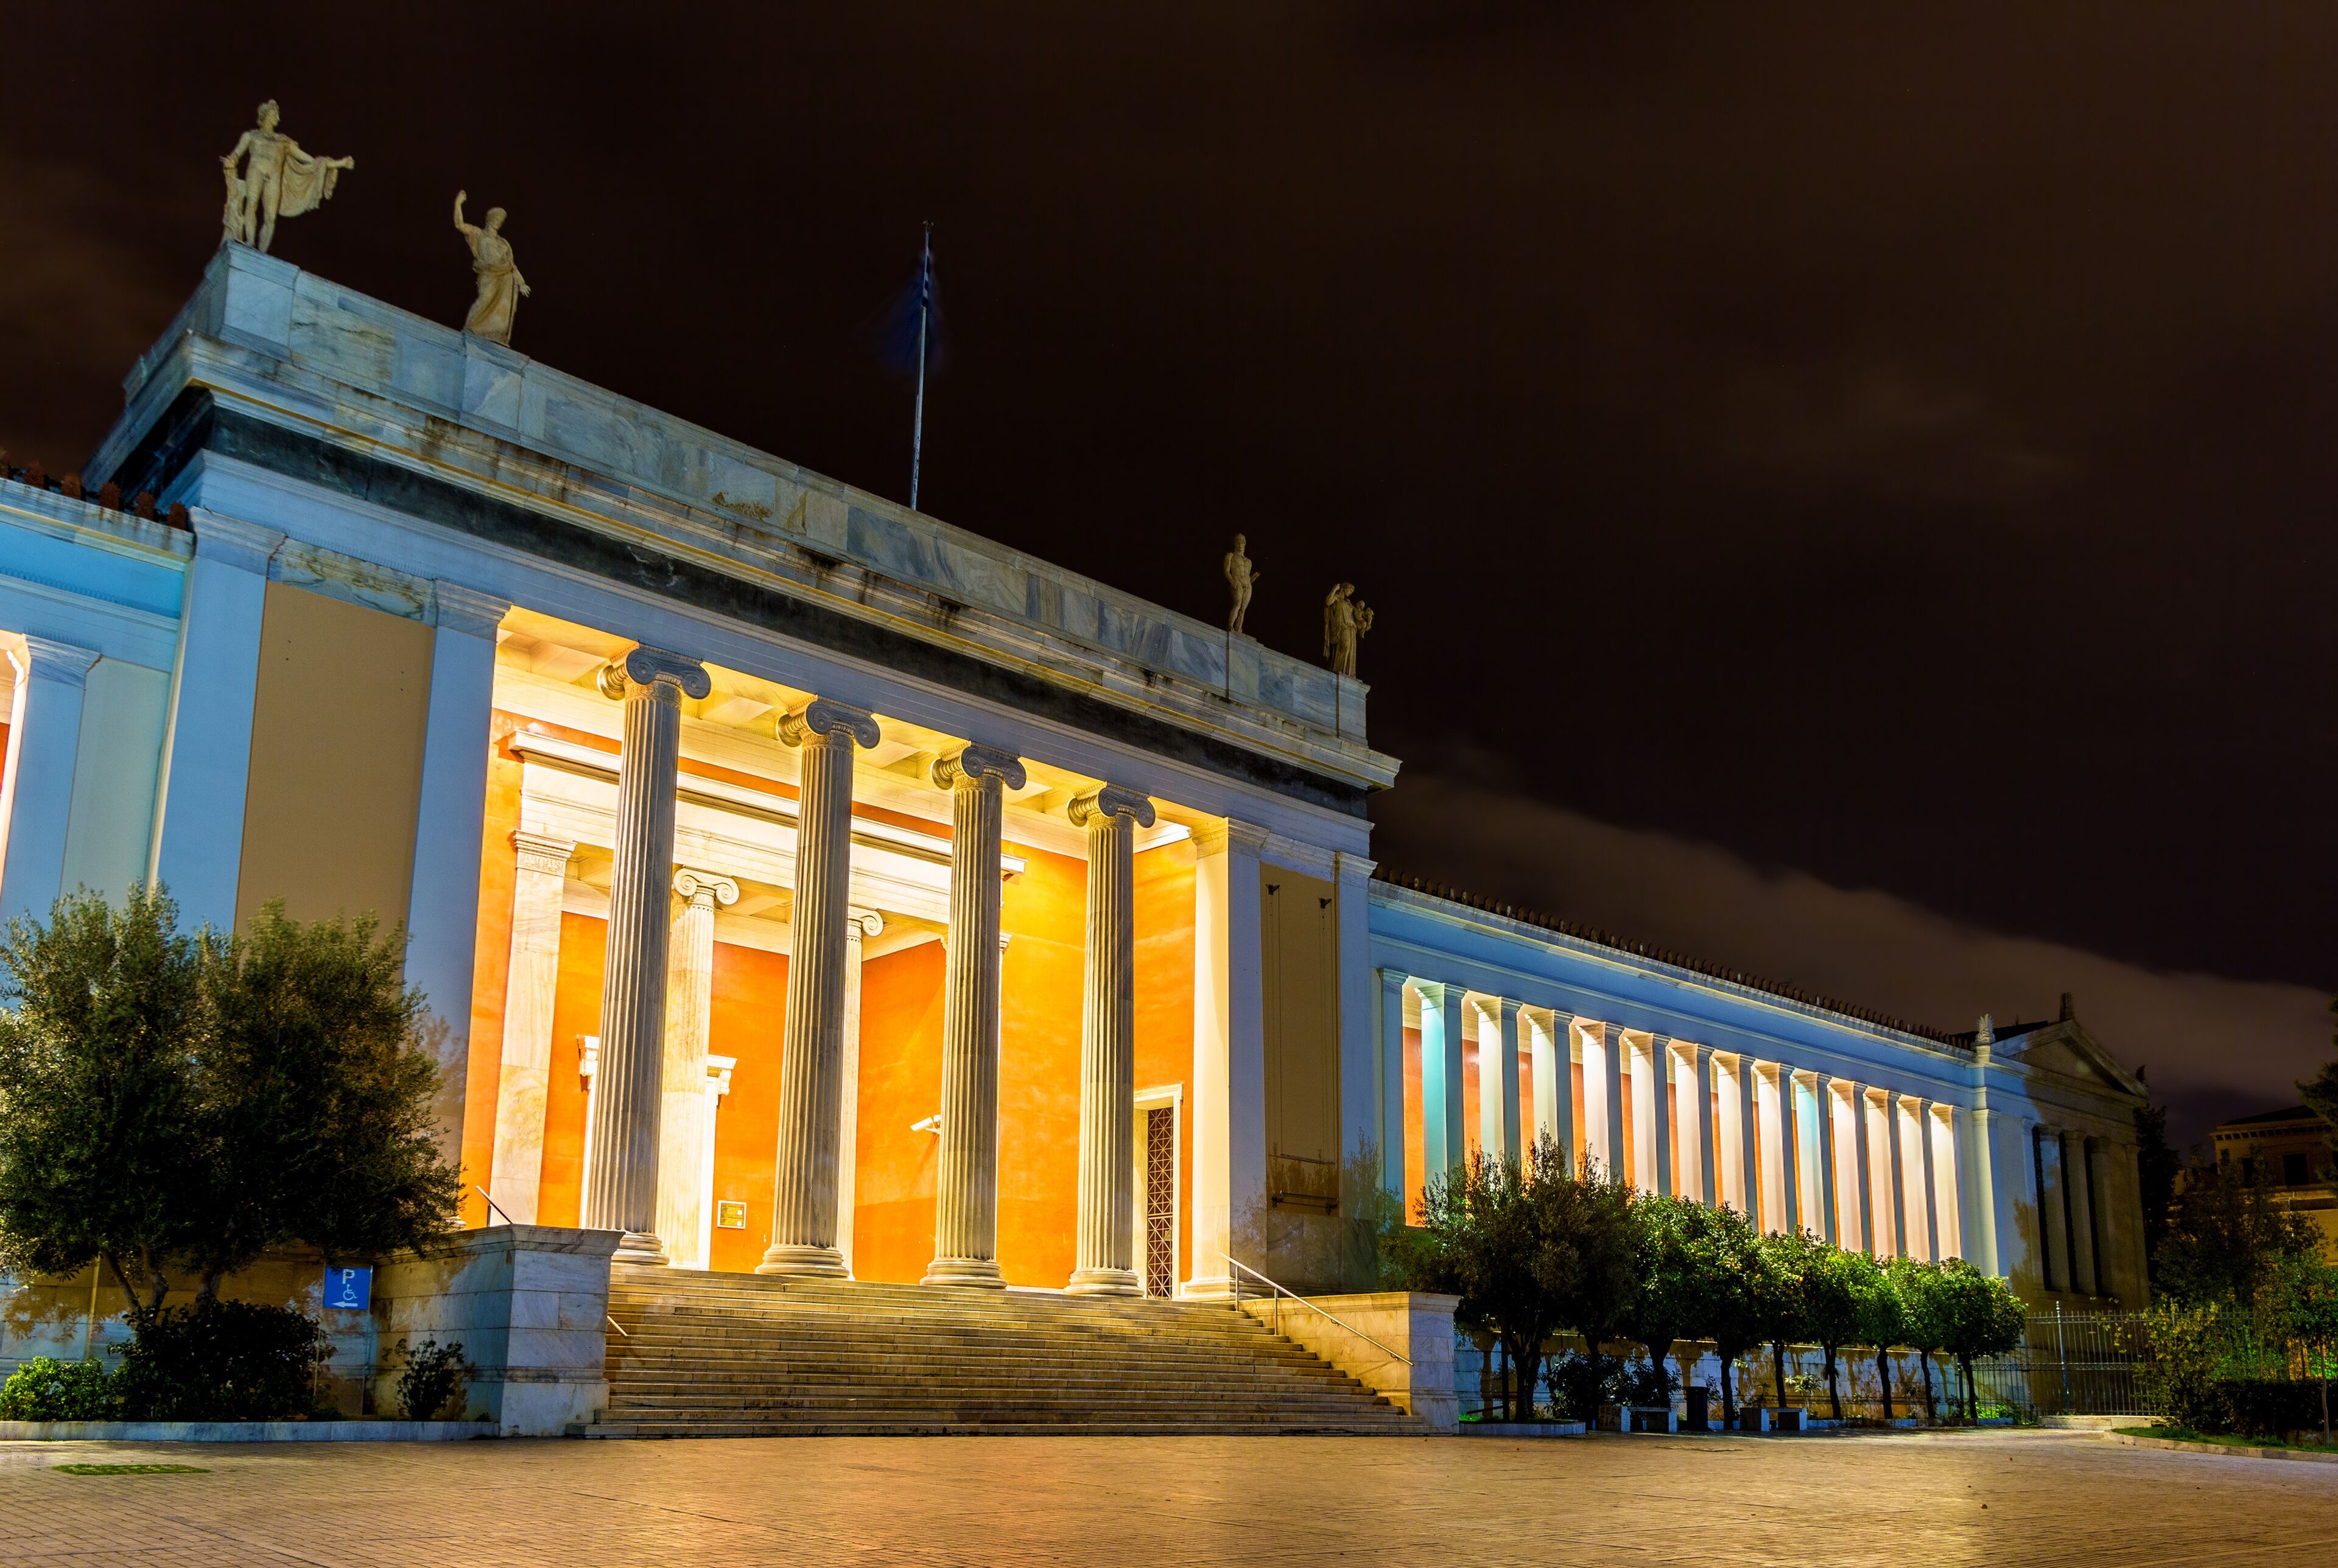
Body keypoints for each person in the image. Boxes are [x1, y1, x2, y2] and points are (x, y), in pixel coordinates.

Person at [220, 100, 354, 253]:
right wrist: (231, 162)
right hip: (255, 171)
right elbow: (236, 155)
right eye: (273, 114)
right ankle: (250, 241)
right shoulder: (251, 136)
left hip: (274, 177)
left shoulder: (284, 141)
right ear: (264, 116)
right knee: (252, 203)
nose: (276, 118)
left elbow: (310, 161)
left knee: (270, 217)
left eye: (276, 115)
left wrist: (339, 164)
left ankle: (262, 253)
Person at [454, 191, 532, 346]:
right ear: (489, 219)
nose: (498, 222)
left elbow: (511, 266)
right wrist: (458, 204)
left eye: (500, 220)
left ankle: (496, 334)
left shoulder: (504, 244)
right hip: (488, 276)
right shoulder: (478, 234)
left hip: (505, 278)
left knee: (501, 309)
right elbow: (459, 225)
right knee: (484, 300)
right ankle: (472, 329)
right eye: (496, 218)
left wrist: (521, 283)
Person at [1224, 534, 1260, 634]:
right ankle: (1230, 626)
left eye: (1242, 542)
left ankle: (1238, 630)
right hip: (1237, 581)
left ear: (1245, 544)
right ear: (1235, 543)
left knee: (1243, 610)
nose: (1240, 544)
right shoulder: (1230, 555)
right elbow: (1226, 571)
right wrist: (1232, 581)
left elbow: (1248, 577)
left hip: (1248, 585)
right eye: (1238, 542)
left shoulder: (1249, 561)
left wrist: (1254, 577)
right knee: (1237, 604)